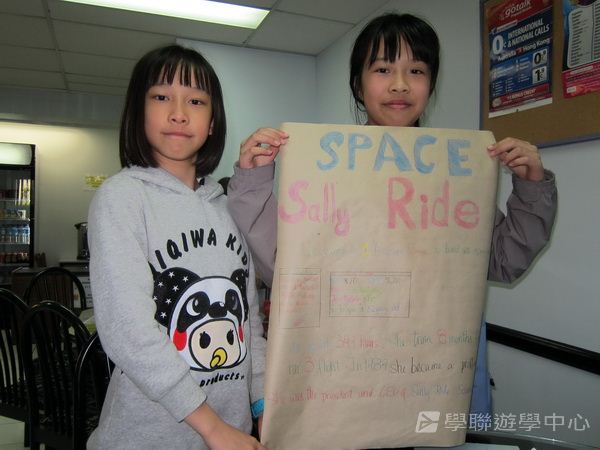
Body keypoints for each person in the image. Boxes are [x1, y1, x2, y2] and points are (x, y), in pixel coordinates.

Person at [226, 13, 557, 418]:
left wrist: (531, 187)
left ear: (431, 84)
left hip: (434, 377)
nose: (400, 84)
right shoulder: (325, 169)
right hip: (343, 380)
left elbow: (504, 261)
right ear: (358, 84)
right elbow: (284, 267)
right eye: (383, 69)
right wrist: (253, 181)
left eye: (416, 70)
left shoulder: (455, 174)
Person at [87, 45, 267, 450]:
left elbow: (249, 324)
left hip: (231, 433)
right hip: (148, 437)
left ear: (212, 121)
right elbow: (127, 331)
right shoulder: (122, 197)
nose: (179, 113)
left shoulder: (226, 207)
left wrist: (262, 405)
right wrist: (212, 427)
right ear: (138, 110)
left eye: (196, 101)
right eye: (161, 96)